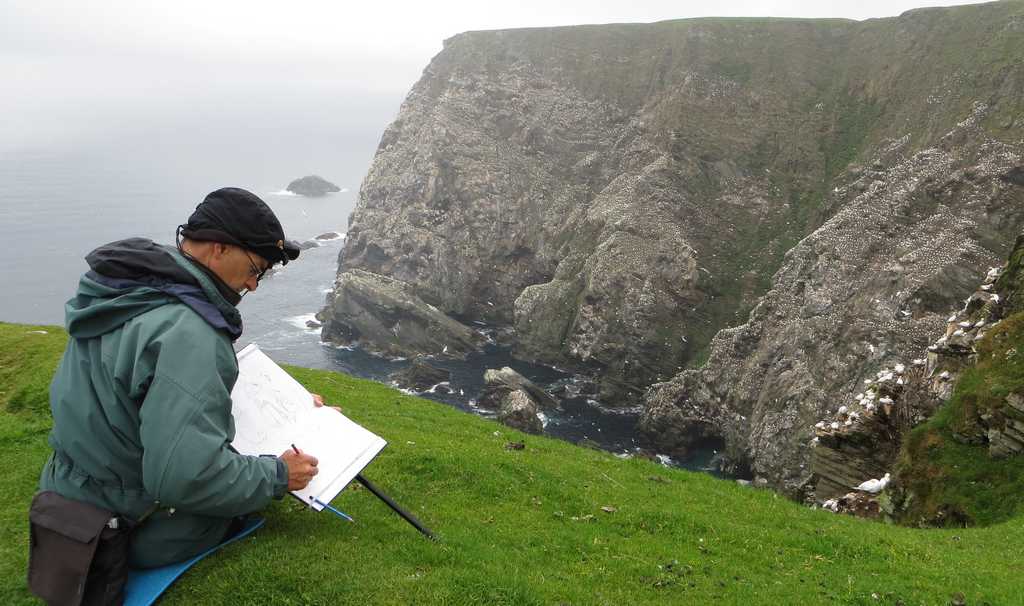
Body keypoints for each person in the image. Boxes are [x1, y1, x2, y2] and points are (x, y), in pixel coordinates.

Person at [36, 187, 321, 572]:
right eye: (256, 269)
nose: (254, 285)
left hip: (67, 496)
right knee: (214, 507)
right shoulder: (191, 333)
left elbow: (146, 391)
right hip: (125, 528)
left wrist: (290, 405)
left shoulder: (125, 289)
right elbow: (186, 479)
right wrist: (278, 475)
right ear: (220, 248)